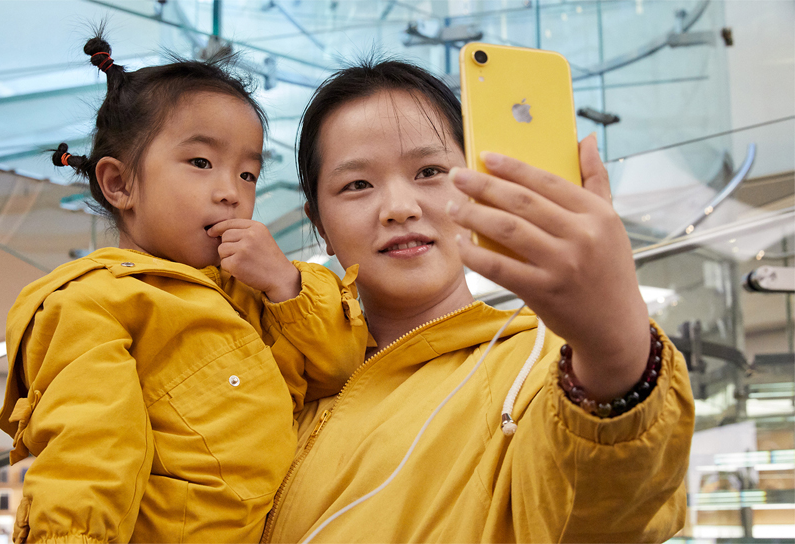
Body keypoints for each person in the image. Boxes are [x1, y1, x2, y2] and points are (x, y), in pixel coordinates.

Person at [261, 60, 695, 543]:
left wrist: (614, 349)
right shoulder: (278, 374)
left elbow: (601, 509)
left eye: (430, 171)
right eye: (357, 184)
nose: (400, 207)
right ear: (319, 223)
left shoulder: (548, 368)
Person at [0, 34, 366, 543]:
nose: (230, 192)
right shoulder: (93, 301)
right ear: (119, 184)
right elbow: (89, 449)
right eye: (200, 163)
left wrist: (286, 284)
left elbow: (339, 370)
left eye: (248, 173)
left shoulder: (250, 294)